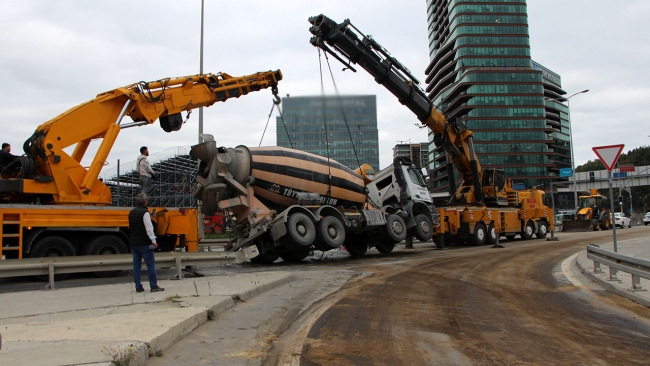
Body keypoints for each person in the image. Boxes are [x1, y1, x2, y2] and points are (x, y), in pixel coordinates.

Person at [129, 193, 164, 293]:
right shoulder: (145, 213)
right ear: (145, 201)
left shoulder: (131, 212)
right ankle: (153, 286)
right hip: (144, 243)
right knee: (150, 265)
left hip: (134, 243)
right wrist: (153, 241)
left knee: (136, 266)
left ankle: (138, 286)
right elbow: (149, 229)